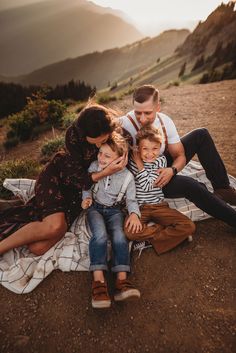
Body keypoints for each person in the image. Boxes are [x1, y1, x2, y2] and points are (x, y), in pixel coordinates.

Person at [0, 103, 128, 255]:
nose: (100, 145)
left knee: (37, 248)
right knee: (55, 226)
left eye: (104, 139)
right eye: (95, 141)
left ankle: (25, 214)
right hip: (59, 178)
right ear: (83, 133)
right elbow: (80, 179)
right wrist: (106, 172)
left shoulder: (116, 131)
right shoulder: (74, 134)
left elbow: (131, 153)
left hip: (78, 192)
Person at [119, 84, 236, 228]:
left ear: (158, 107)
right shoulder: (123, 125)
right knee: (190, 185)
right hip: (143, 183)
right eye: (138, 112)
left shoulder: (165, 122)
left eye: (147, 113)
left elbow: (180, 156)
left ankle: (223, 189)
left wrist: (172, 170)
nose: (142, 119)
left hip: (160, 167)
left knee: (201, 134)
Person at [82, 131, 141, 309]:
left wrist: (134, 214)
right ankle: (98, 283)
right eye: (100, 152)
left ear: (121, 159)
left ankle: (121, 281)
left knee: (119, 236)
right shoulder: (94, 167)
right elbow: (86, 186)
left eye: (107, 155)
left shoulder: (127, 177)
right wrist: (85, 198)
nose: (101, 157)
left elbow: (131, 200)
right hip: (95, 209)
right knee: (99, 235)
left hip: (115, 210)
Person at [125, 126, 196, 253]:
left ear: (160, 147)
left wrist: (139, 164)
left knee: (188, 226)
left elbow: (147, 186)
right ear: (138, 148)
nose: (150, 153)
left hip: (159, 206)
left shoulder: (160, 161)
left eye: (155, 149)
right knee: (130, 233)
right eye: (145, 149)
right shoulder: (132, 161)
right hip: (139, 208)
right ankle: (164, 231)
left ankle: (148, 239)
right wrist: (135, 161)